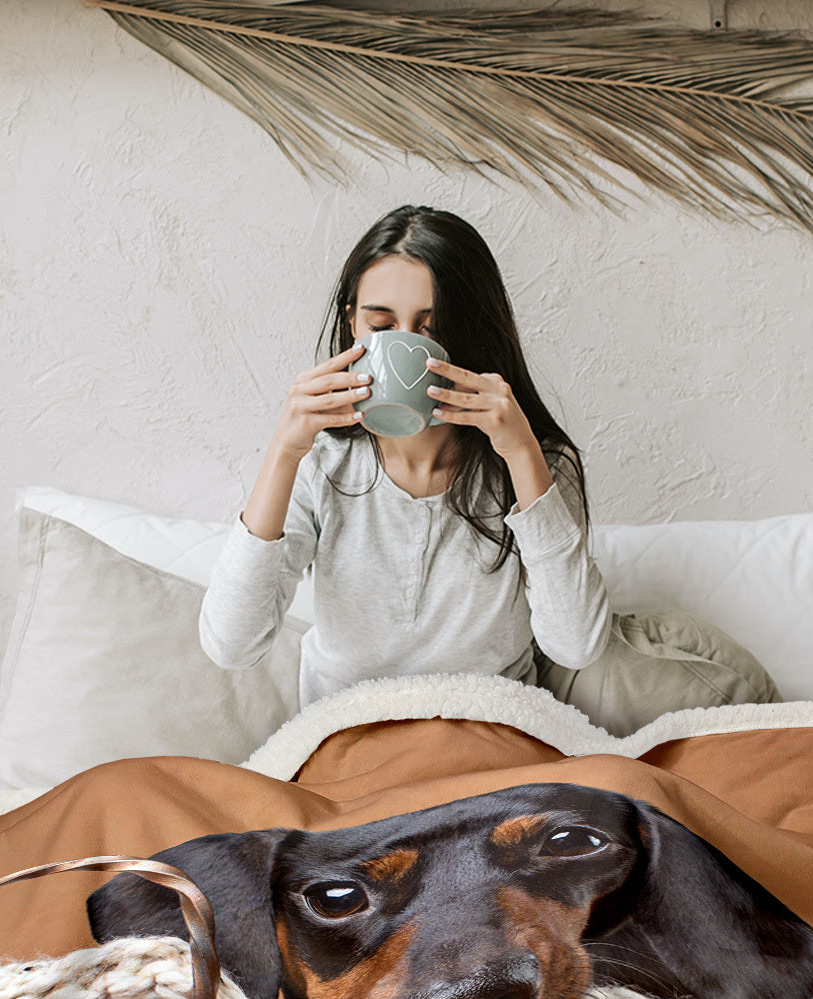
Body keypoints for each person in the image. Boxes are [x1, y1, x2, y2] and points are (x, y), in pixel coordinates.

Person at [199, 205, 612, 706]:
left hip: (492, 746)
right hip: (349, 747)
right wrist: (284, 453)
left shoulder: (535, 464)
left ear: (471, 333)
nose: (407, 347)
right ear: (352, 324)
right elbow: (231, 645)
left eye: (431, 329)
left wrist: (522, 453)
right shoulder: (323, 463)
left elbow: (576, 646)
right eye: (382, 326)